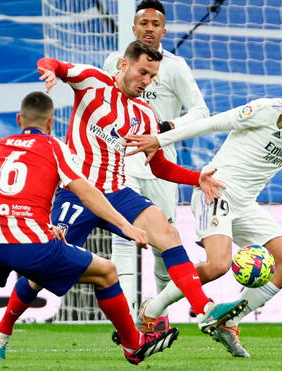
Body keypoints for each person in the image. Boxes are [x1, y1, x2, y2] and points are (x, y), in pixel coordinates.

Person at [0, 41, 247, 360]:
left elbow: (159, 165)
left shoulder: (144, 114)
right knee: (39, 273)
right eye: (142, 72)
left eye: (152, 76)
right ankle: (3, 330)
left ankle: (204, 308)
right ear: (124, 65)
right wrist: (50, 72)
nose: (147, 80)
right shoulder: (92, 81)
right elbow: (52, 61)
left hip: (118, 192)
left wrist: (197, 177)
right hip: (78, 192)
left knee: (168, 235)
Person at [0, 92, 180, 369]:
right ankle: (134, 346)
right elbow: (86, 192)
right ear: (51, 122)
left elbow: (5, 195)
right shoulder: (53, 146)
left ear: (18, 119)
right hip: (31, 246)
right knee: (107, 272)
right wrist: (125, 225)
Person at [124, 76, 282, 357]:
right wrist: (159, 140)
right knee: (218, 264)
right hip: (217, 190)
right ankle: (152, 310)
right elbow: (212, 123)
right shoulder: (265, 110)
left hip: (246, 204)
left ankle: (230, 322)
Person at [101, 0, 210, 330]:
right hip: (120, 163)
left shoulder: (175, 67)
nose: (149, 28)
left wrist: (162, 130)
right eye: (143, 22)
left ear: (164, 30)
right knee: (123, 238)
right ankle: (126, 319)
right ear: (134, 29)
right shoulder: (114, 62)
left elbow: (200, 113)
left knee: (165, 245)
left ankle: (157, 315)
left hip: (160, 164)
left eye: (155, 23)